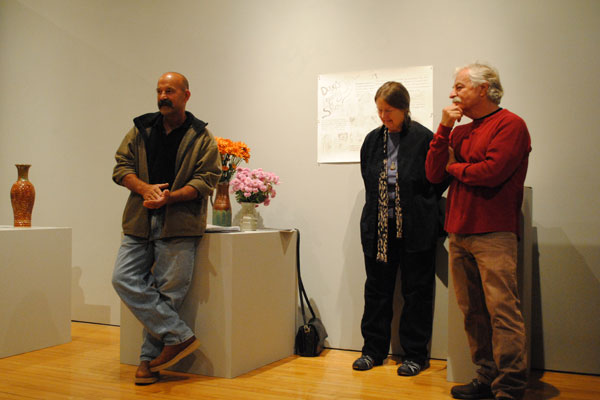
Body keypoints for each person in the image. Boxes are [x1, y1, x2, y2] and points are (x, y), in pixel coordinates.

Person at [425, 63, 531, 400]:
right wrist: (442, 129)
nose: (452, 93)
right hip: (459, 232)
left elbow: (491, 172)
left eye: (459, 86)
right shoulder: (457, 131)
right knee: (472, 313)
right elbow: (431, 173)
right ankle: (486, 377)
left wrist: (455, 167)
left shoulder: (511, 125)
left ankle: (511, 388)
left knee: (503, 312)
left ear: (484, 89)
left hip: (495, 233)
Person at [111, 72, 221, 385]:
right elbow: (121, 167)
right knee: (123, 278)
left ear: (186, 95)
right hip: (139, 219)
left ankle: (148, 363)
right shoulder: (141, 128)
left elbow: (206, 180)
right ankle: (179, 336)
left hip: (179, 223)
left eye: (169, 90)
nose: (162, 96)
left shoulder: (201, 136)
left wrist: (170, 198)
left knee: (168, 294)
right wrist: (145, 189)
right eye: (159, 90)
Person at [354, 81, 446, 376]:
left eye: (389, 110)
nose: (383, 116)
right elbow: (368, 180)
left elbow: (437, 180)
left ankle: (415, 355)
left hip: (416, 228)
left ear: (405, 109)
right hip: (379, 229)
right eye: (379, 110)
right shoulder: (371, 140)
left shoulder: (424, 139)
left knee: (417, 292)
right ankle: (372, 351)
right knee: (377, 290)